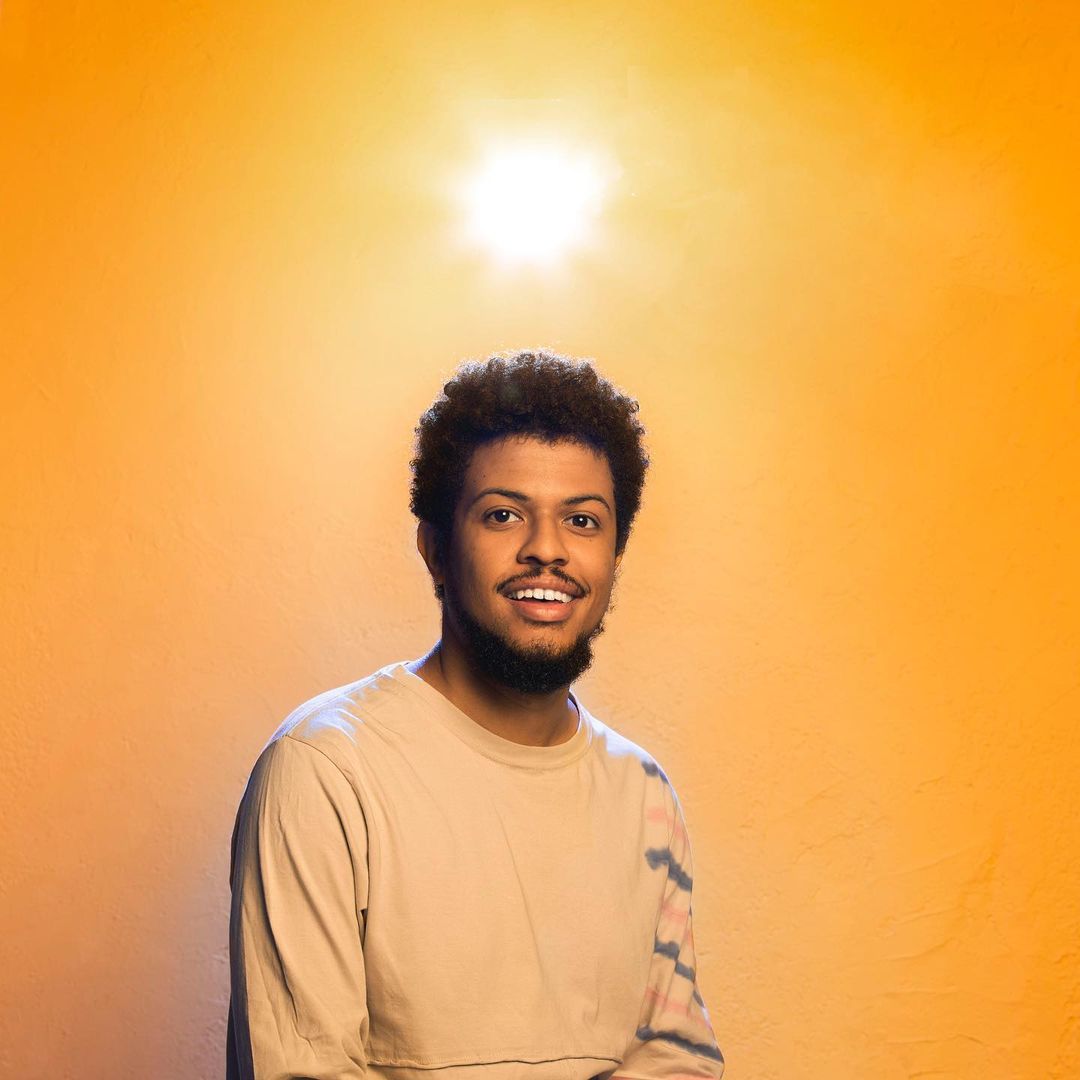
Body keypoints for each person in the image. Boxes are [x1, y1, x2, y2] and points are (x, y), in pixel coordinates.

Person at [226, 349, 726, 1079]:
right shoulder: (327, 770)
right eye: (503, 515)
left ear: (615, 556)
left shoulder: (643, 792)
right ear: (435, 549)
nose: (546, 550)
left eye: (582, 520)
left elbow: (675, 1057)